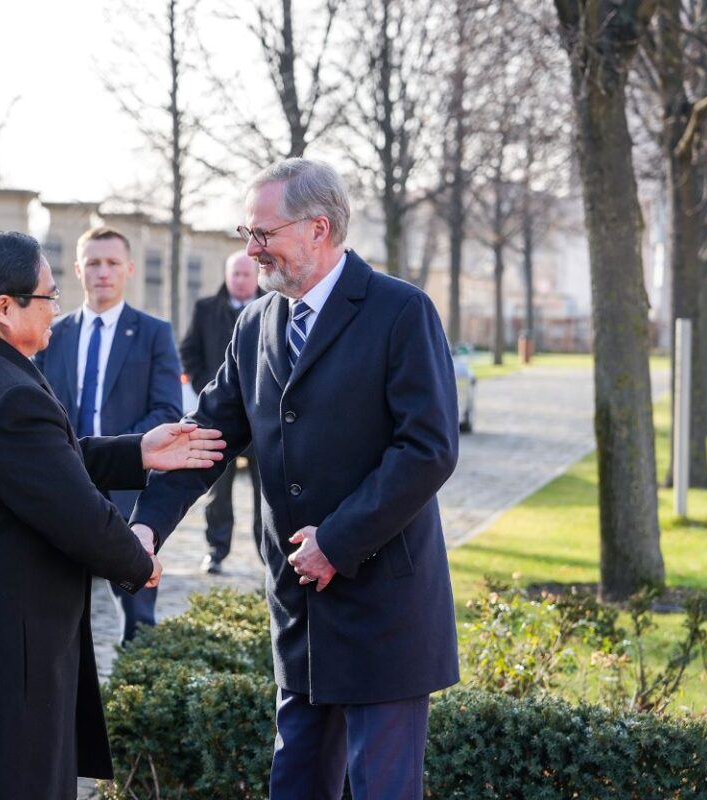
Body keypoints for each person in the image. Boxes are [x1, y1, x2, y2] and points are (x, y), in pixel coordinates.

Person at [130, 158, 460, 799]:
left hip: (383, 610)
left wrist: (336, 542)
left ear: (318, 227)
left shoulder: (401, 311)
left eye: (263, 233)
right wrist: (146, 526)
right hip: (300, 610)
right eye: (246, 233)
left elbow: (428, 450)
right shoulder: (255, 322)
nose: (251, 249)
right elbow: (208, 436)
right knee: (296, 786)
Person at [0, 230, 223, 799]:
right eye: (47, 296)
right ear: (4, 308)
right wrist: (137, 558)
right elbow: (77, 516)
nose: (56, 308)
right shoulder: (4, 394)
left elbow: (33, 464)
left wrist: (138, 450)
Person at [34, 226, 182, 644]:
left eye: (113, 263)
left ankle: (134, 696)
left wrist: (116, 455)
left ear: (129, 269)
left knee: (137, 615)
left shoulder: (154, 333)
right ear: (78, 270)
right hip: (63, 486)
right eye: (94, 263)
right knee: (55, 610)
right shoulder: (51, 333)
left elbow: (167, 411)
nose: (103, 272)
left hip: (129, 495)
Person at [178, 250, 265, 573]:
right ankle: (216, 550)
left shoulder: (275, 306)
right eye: (236, 274)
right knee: (218, 491)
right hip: (219, 419)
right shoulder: (205, 310)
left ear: (256, 276)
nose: (241, 280)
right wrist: (208, 388)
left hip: (262, 418)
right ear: (228, 276)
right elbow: (189, 352)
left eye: (246, 274)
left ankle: (269, 553)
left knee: (267, 492)